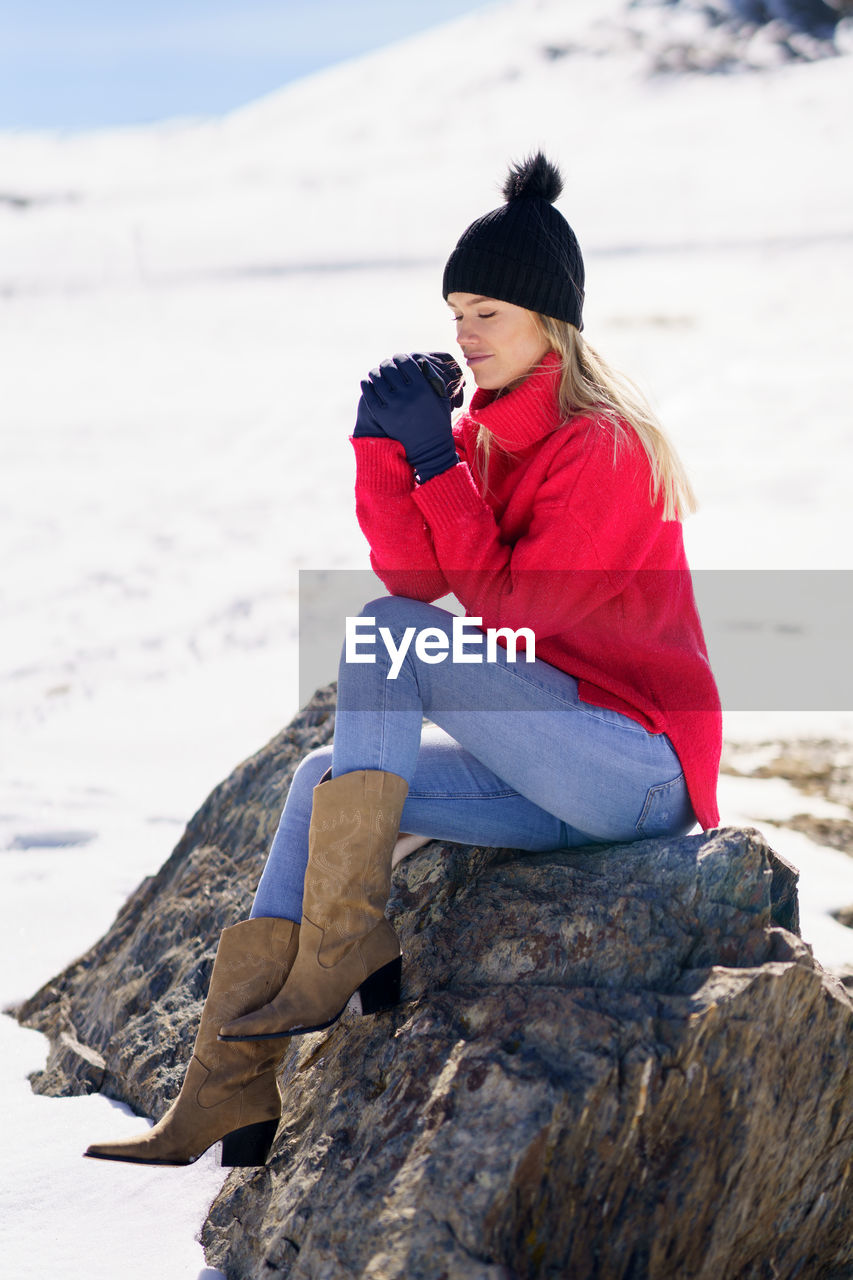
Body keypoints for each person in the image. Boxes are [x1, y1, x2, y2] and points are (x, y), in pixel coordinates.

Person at [84, 152, 722, 1169]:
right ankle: (229, 1087)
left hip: (633, 771)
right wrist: (385, 453)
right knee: (316, 779)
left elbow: (517, 605)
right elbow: (424, 580)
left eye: (487, 316)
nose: (463, 337)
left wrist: (434, 462)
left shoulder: (606, 448)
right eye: (456, 313)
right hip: (550, 771)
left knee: (384, 633)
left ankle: (345, 942)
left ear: (548, 323)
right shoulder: (485, 441)